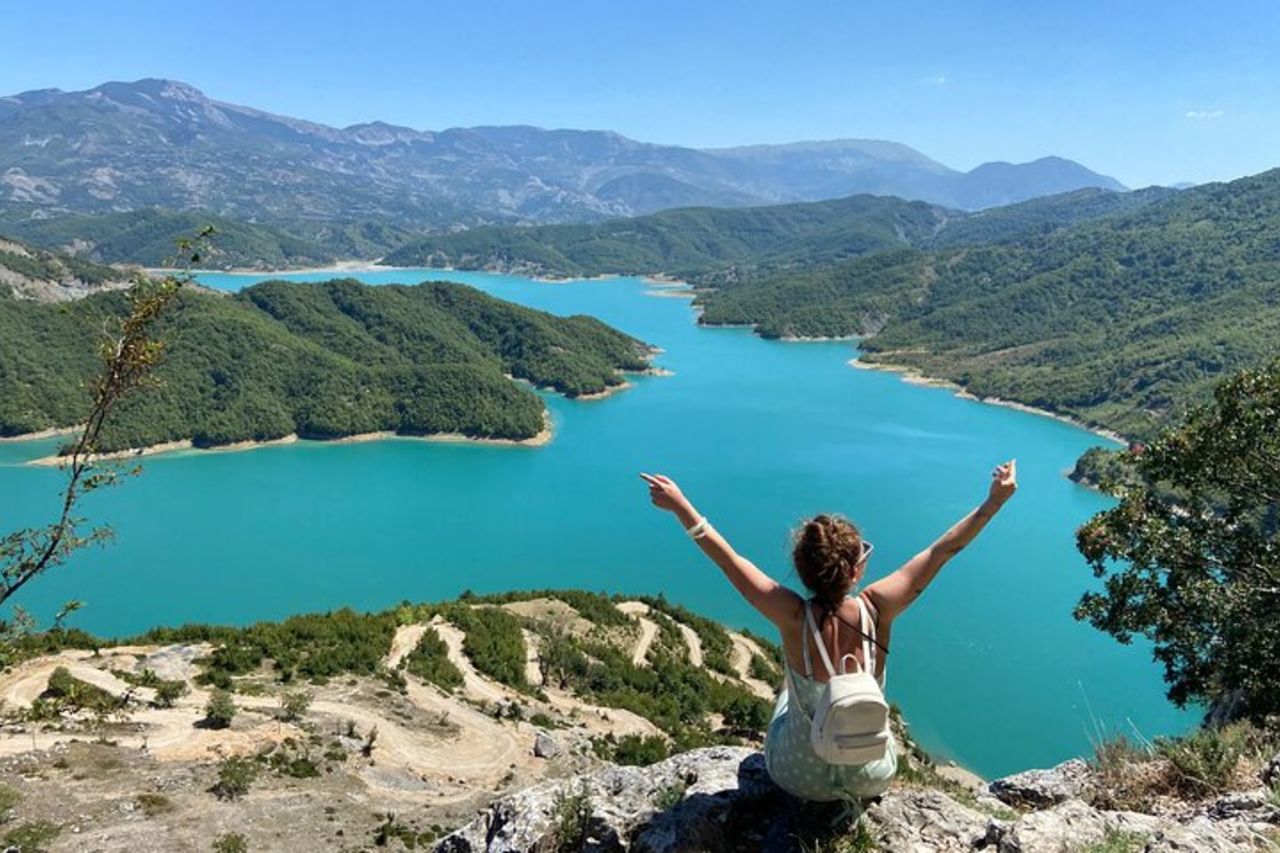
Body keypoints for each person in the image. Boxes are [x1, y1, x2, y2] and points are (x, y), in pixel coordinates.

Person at [640, 460, 1017, 804]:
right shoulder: (878, 608)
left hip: (797, 777)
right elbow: (942, 551)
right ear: (856, 570)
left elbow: (729, 560)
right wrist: (993, 502)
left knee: (787, 695)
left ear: (802, 570)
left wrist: (680, 506)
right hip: (871, 775)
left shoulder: (792, 616)